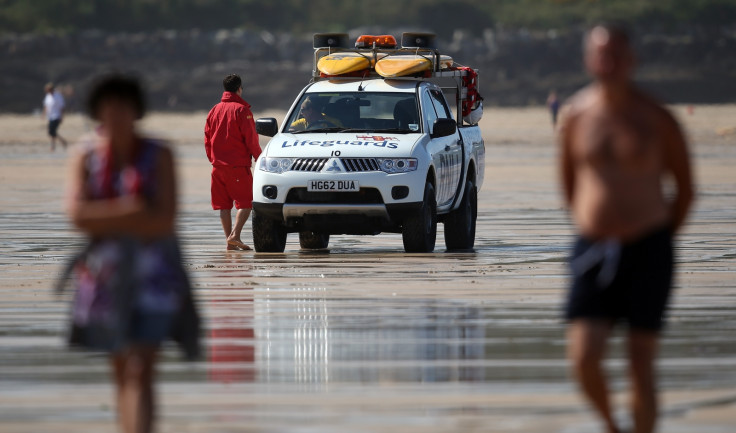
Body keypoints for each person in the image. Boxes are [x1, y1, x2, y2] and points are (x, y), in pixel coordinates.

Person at [559, 24, 694, 433]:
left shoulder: (657, 118)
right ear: (589, 59)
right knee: (583, 358)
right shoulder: (576, 116)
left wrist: (658, 237)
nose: (609, 62)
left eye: (617, 54)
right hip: (593, 248)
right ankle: (612, 427)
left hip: (649, 248)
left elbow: (685, 189)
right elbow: (569, 183)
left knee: (640, 363)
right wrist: (592, 222)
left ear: (632, 59)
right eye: (602, 54)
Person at [64, 74, 200, 433]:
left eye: (124, 105)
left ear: (136, 110)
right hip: (105, 279)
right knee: (122, 368)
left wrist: (107, 218)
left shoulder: (160, 154)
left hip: (154, 277)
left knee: (142, 365)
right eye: (109, 106)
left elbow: (166, 218)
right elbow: (77, 216)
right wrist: (134, 210)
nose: (116, 113)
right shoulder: (85, 156)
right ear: (98, 111)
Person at [204, 74, 262, 251]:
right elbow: (251, 140)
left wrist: (213, 159)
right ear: (239, 89)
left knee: (224, 205)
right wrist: (259, 159)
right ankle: (235, 236)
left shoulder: (214, 110)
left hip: (217, 166)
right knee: (247, 202)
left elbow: (207, 139)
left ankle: (230, 242)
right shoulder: (242, 111)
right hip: (237, 166)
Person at [43, 82, 68, 151]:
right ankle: (56, 144)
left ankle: (58, 144)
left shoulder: (58, 96)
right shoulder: (47, 96)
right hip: (50, 116)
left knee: (51, 131)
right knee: (52, 132)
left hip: (57, 116)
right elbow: (46, 105)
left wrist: (62, 116)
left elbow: (62, 106)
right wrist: (44, 114)